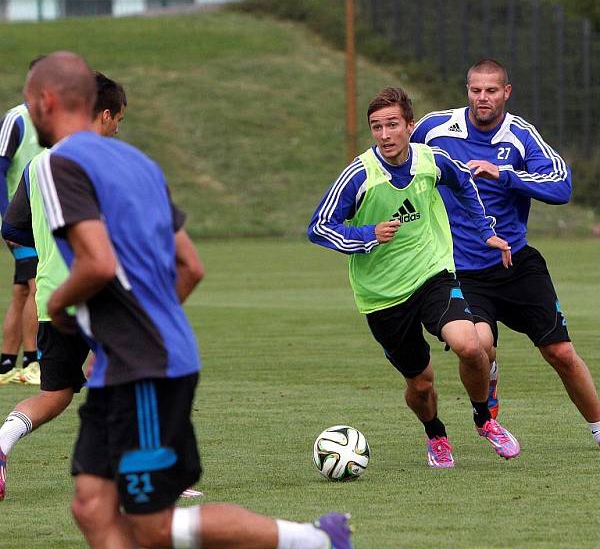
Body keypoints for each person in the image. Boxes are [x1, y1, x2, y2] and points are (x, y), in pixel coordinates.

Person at [23, 51, 353, 549]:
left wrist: (61, 308)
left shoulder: (52, 164)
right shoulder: (140, 163)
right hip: (128, 363)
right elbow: (191, 266)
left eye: (29, 101)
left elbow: (96, 263)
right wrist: (141, 325)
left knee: (150, 525)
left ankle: (316, 540)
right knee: (90, 506)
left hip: (145, 367)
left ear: (46, 101)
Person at [410, 59, 600, 453]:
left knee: (560, 352)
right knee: (477, 346)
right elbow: (401, 163)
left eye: (491, 91)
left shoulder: (520, 135)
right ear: (467, 90)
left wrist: (505, 174)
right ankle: (488, 389)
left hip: (515, 265)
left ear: (506, 93)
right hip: (461, 271)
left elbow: (561, 185)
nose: (482, 98)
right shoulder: (435, 128)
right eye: (475, 90)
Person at [309, 86, 520, 468]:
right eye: (376, 127)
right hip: (383, 296)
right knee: (420, 383)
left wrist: (484, 228)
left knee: (471, 346)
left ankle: (484, 419)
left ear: (410, 125)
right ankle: (436, 434)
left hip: (432, 273)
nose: (385, 135)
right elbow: (320, 227)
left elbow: (464, 184)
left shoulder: (431, 160)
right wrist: (366, 234)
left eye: (392, 125)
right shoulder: (360, 175)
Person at [0, 72, 128, 502]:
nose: (118, 129)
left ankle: (1, 444)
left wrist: (53, 253)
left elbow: (12, 227)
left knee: (55, 395)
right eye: (119, 119)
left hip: (52, 297)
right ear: (104, 114)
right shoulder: (107, 163)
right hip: (99, 292)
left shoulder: (40, 164)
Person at [0, 57, 46, 386]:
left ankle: (5, 362)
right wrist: (7, 215)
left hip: (39, 220)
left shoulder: (54, 120)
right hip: (20, 222)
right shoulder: (16, 119)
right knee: (35, 285)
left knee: (20, 290)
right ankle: (34, 361)